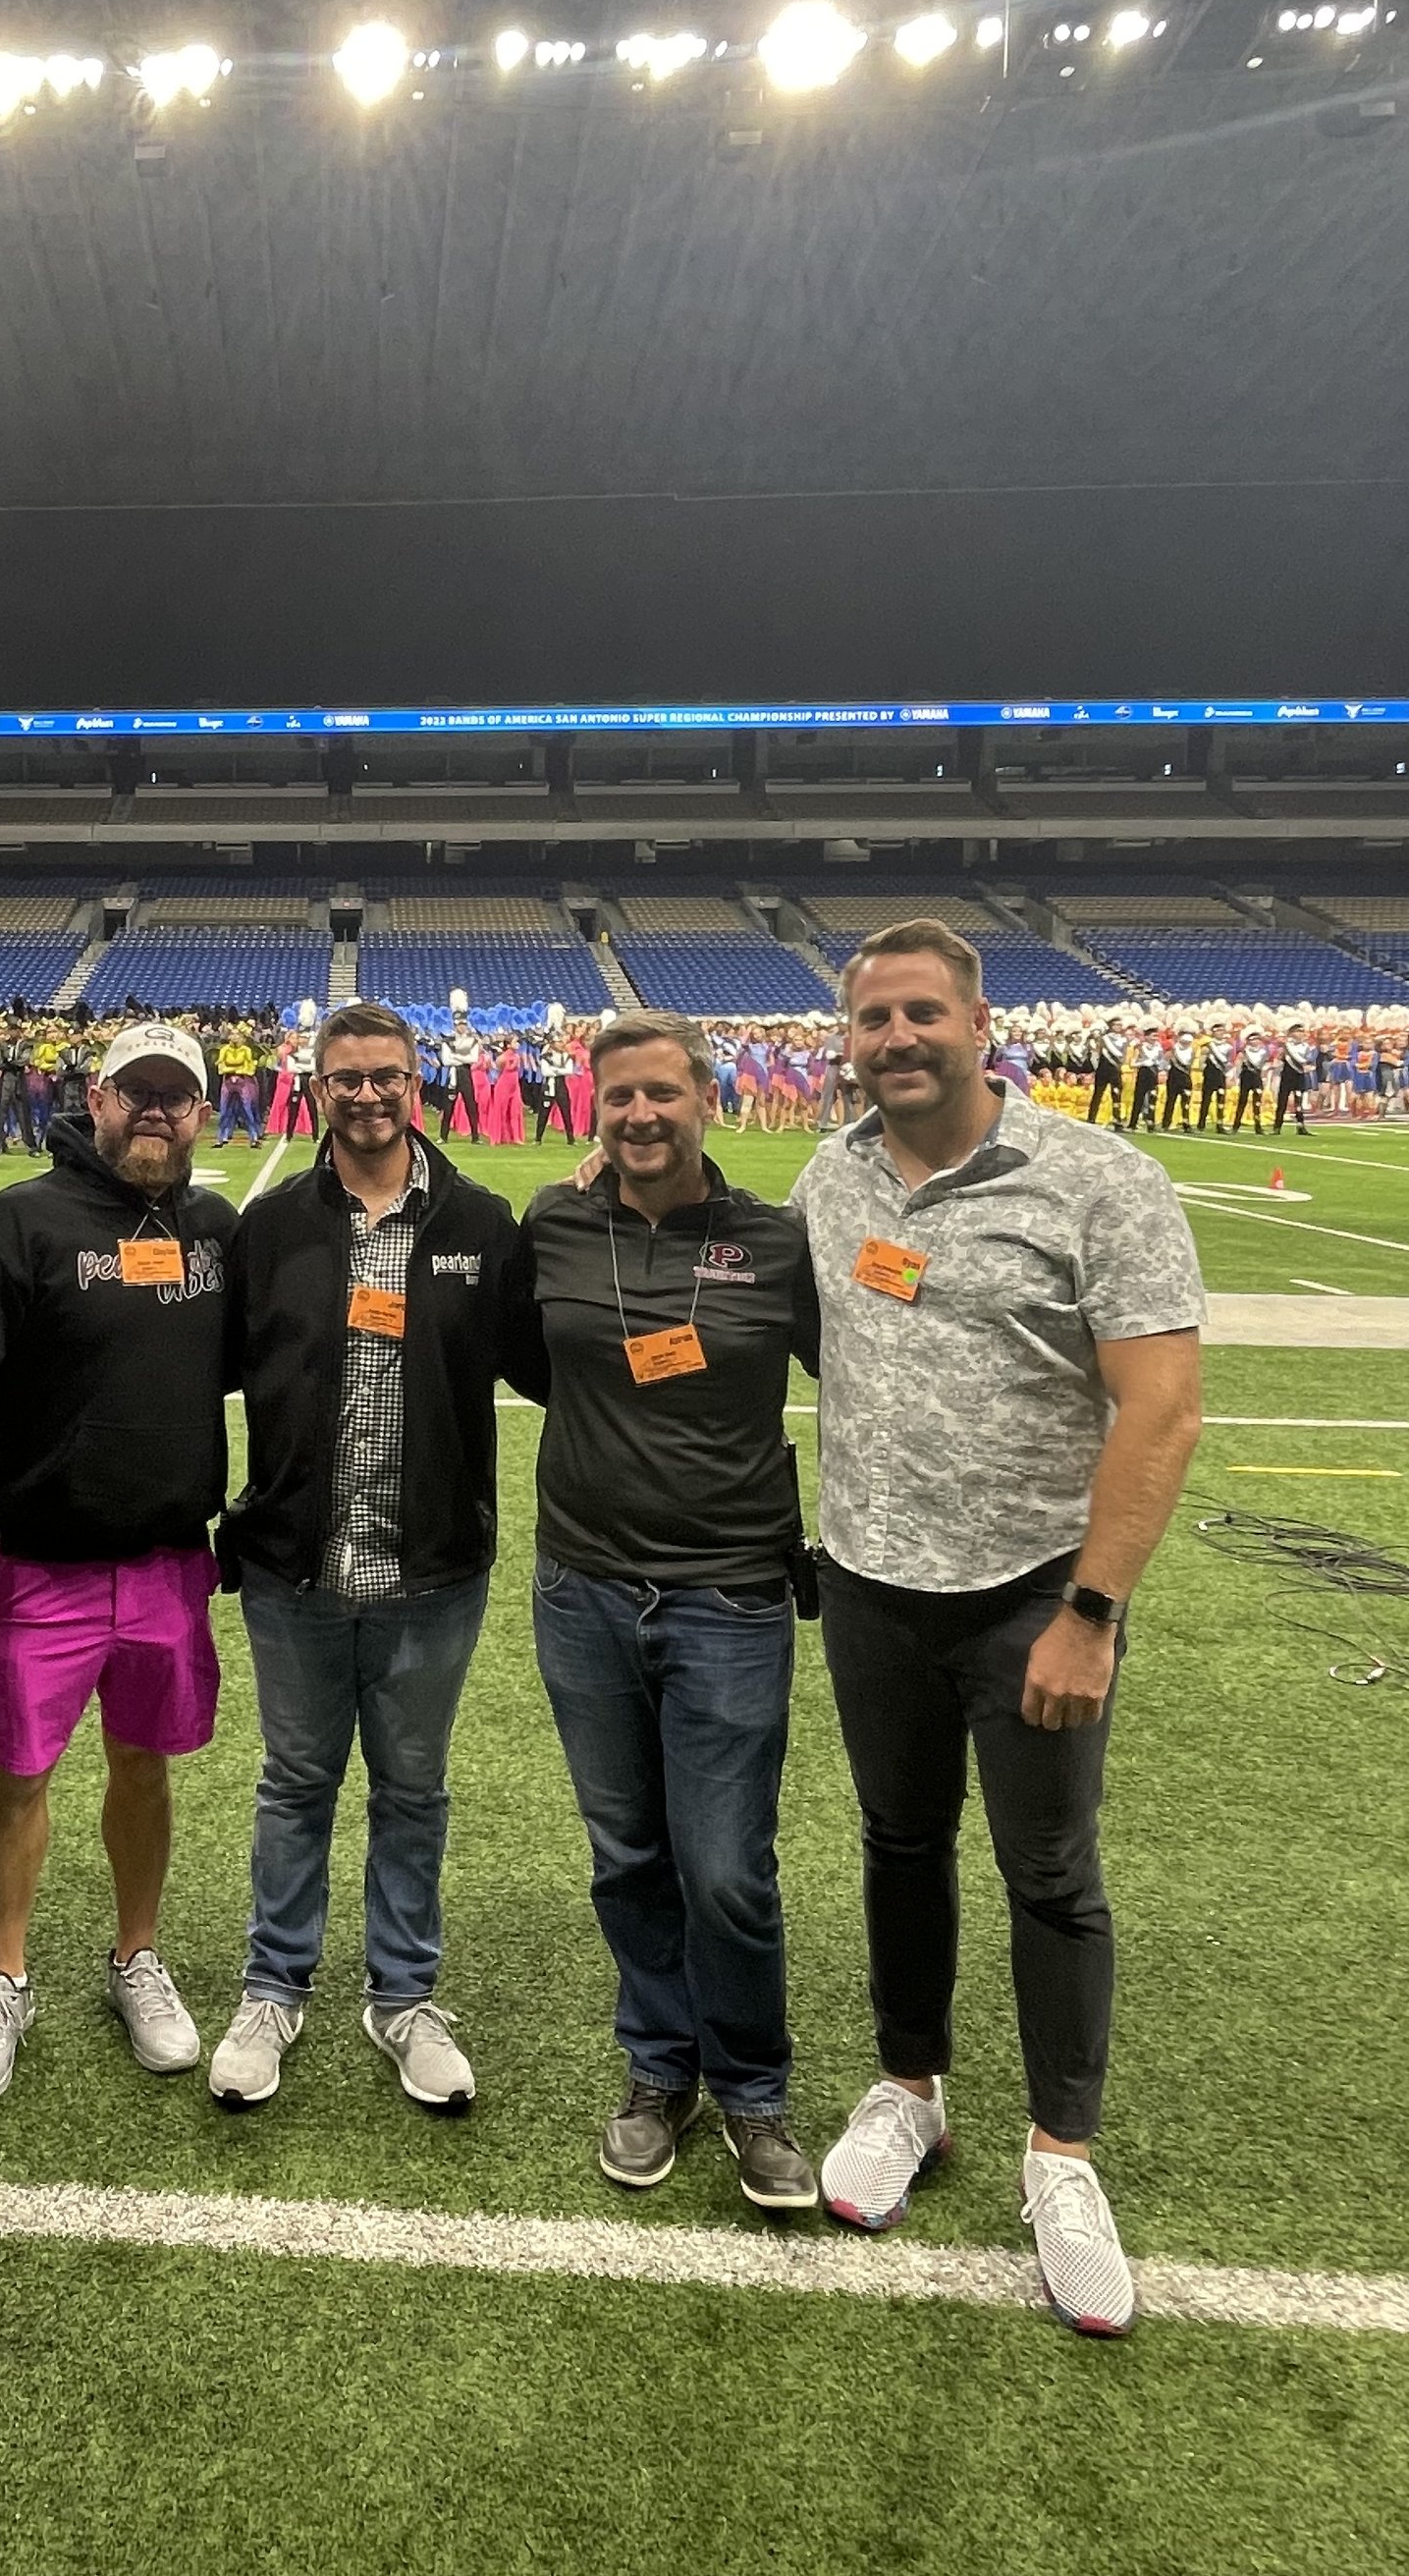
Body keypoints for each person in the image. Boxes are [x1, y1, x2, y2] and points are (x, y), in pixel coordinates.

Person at [790, 919, 1203, 2336]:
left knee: (1049, 1871)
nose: (895, 1039)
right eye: (872, 1020)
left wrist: (1093, 1609)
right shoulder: (827, 1177)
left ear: (978, 1020)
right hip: (869, 1581)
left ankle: (1063, 2152)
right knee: (899, 1841)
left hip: (1036, 1588)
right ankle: (911, 2087)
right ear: (849, 1038)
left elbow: (1162, 1406)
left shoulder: (1098, 1175)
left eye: (921, 1013)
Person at [0, 1019, 236, 2106]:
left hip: (173, 1560)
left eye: (173, 1096)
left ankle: (136, 1956)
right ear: (96, 1098)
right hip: (44, 1561)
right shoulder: (19, 1221)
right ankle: (5, 1978)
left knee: (144, 1764)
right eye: (133, 1090)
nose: (152, 1110)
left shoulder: (219, 1229)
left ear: (202, 1114)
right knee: (23, 1773)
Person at [213, 1004, 530, 2112]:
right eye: (345, 1078)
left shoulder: (482, 1223)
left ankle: (401, 1997)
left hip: (431, 1569)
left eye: (384, 1076)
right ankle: (272, 1986)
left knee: (412, 1790)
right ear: (317, 1088)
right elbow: (196, 1370)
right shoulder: (268, 1230)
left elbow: (547, 1362)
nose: (365, 1095)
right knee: (294, 1784)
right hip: (294, 1565)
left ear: (415, 1084)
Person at [529, 1013, 821, 2208]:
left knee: (726, 1869)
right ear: (592, 1111)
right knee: (629, 1856)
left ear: (707, 1097)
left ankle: (752, 2088)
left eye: (661, 1094)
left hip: (731, 1597)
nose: (638, 1116)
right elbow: (511, 1359)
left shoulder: (777, 1241)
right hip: (583, 1588)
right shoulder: (552, 1223)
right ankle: (661, 2070)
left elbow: (868, 1386)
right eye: (617, 1099)